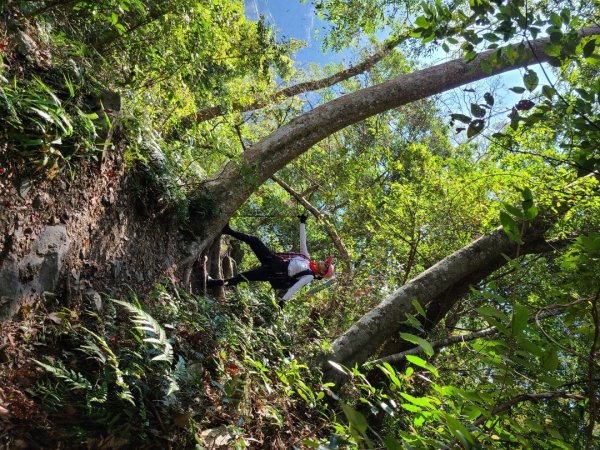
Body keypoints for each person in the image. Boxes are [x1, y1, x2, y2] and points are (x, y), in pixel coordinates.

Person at [207, 215, 335, 303]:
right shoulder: (306, 258)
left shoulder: (309, 276)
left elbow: (295, 287)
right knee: (255, 241)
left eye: (325, 265)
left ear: (322, 273)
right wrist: (302, 223)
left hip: (271, 273)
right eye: (325, 262)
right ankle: (228, 230)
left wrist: (283, 300)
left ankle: (213, 283)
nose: (324, 262)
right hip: (272, 259)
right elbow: (303, 241)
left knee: (241, 277)